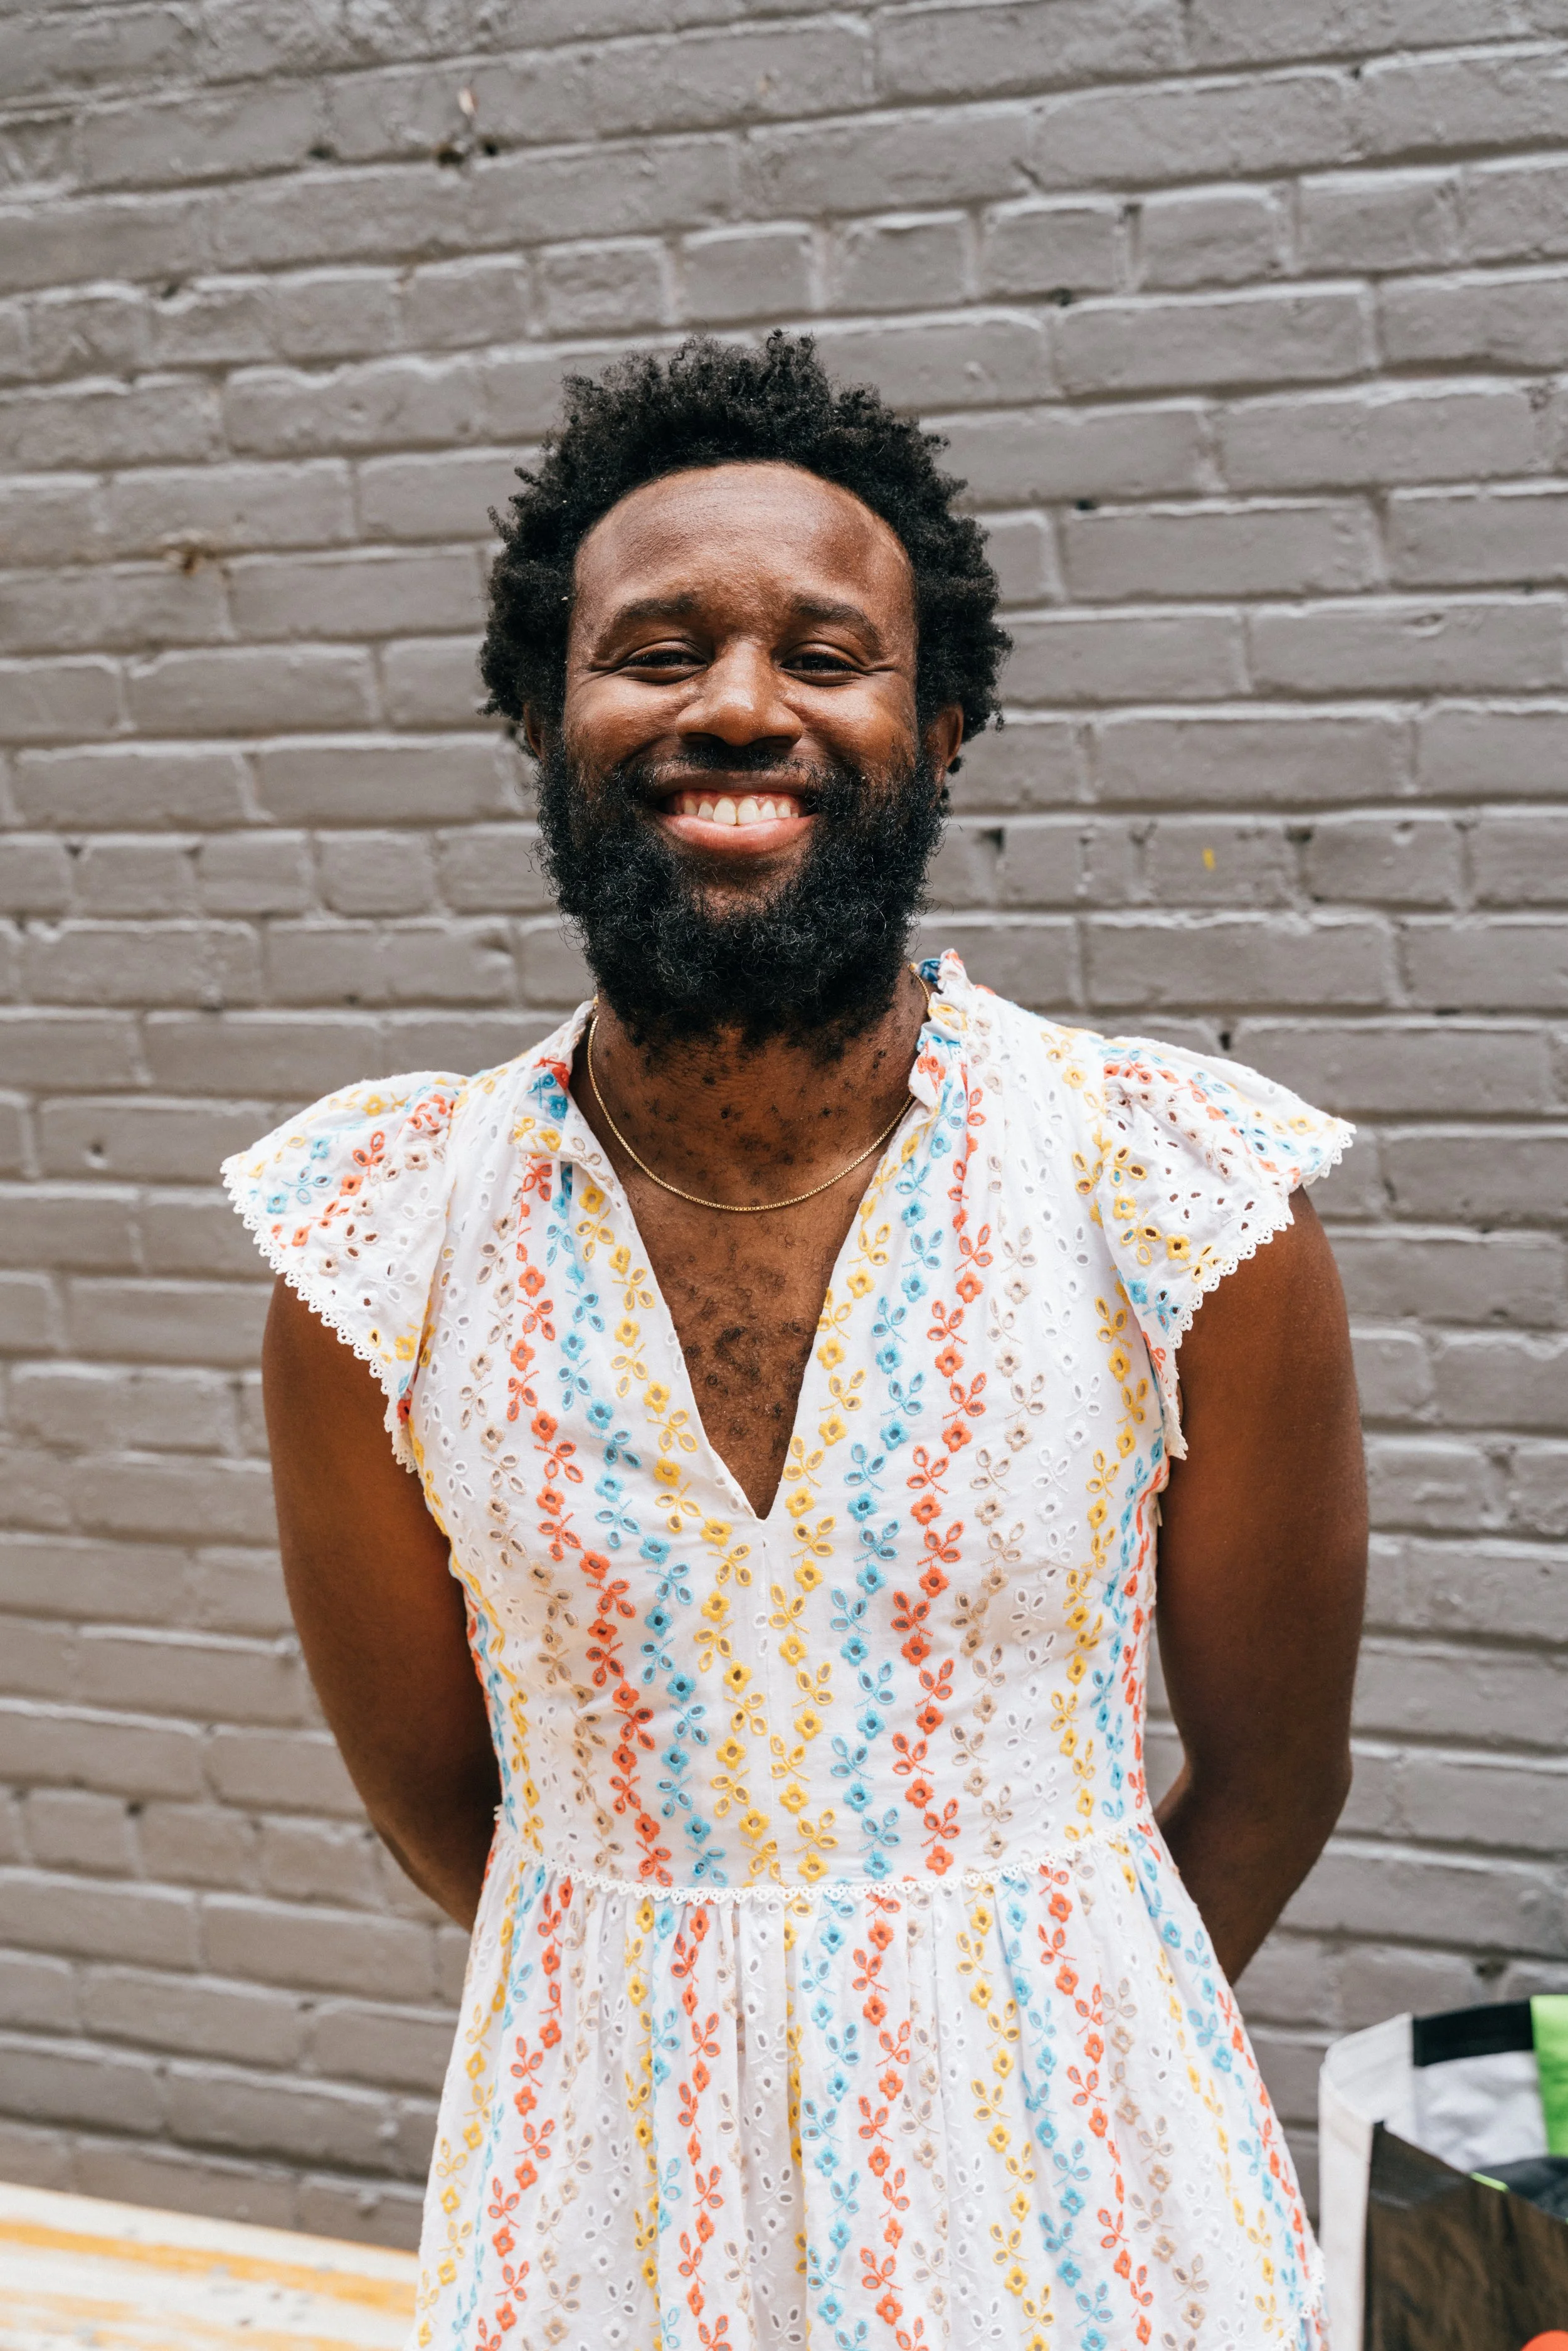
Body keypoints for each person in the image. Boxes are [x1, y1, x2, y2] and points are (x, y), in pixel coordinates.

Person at [225, 333, 1367, 2350]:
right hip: (604, 2196)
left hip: (1089, 2206)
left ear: (937, 728)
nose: (737, 705)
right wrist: (677, 2004)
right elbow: (435, 1800)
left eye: (822, 656)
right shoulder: (381, 1240)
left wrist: (1023, 2025)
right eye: (655, 651)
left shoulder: (1172, 1197)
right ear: (542, 715)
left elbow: (1271, 1777)